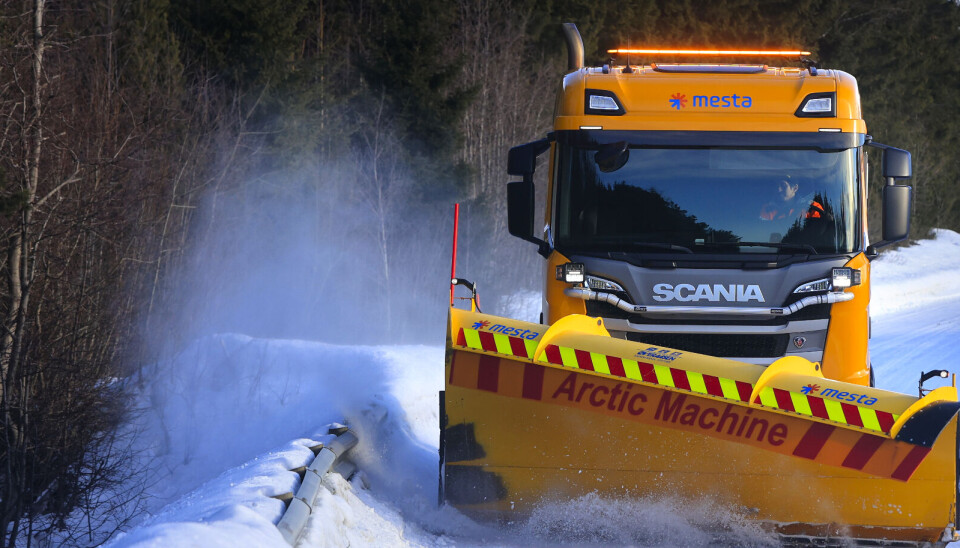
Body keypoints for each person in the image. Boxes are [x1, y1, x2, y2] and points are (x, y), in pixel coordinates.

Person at [760, 178, 825, 221]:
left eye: (783, 185)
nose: (778, 189)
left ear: (795, 188)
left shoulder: (812, 208)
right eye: (777, 186)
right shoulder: (767, 208)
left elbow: (819, 233)